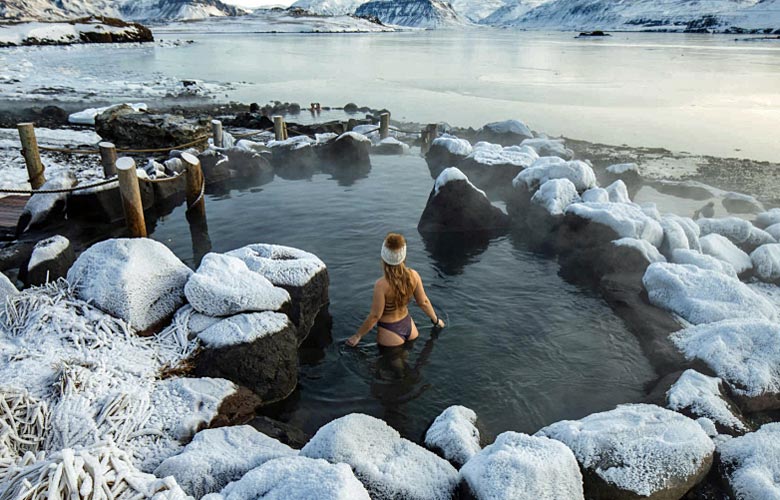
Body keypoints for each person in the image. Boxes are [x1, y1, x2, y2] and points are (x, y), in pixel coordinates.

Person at [347, 233, 445, 347]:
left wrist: (357, 336)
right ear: (404, 256)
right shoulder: (414, 275)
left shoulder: (381, 285)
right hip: (410, 327)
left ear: (383, 257)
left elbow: (375, 316)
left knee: (389, 364)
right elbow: (423, 302)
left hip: (390, 332)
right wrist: (436, 320)